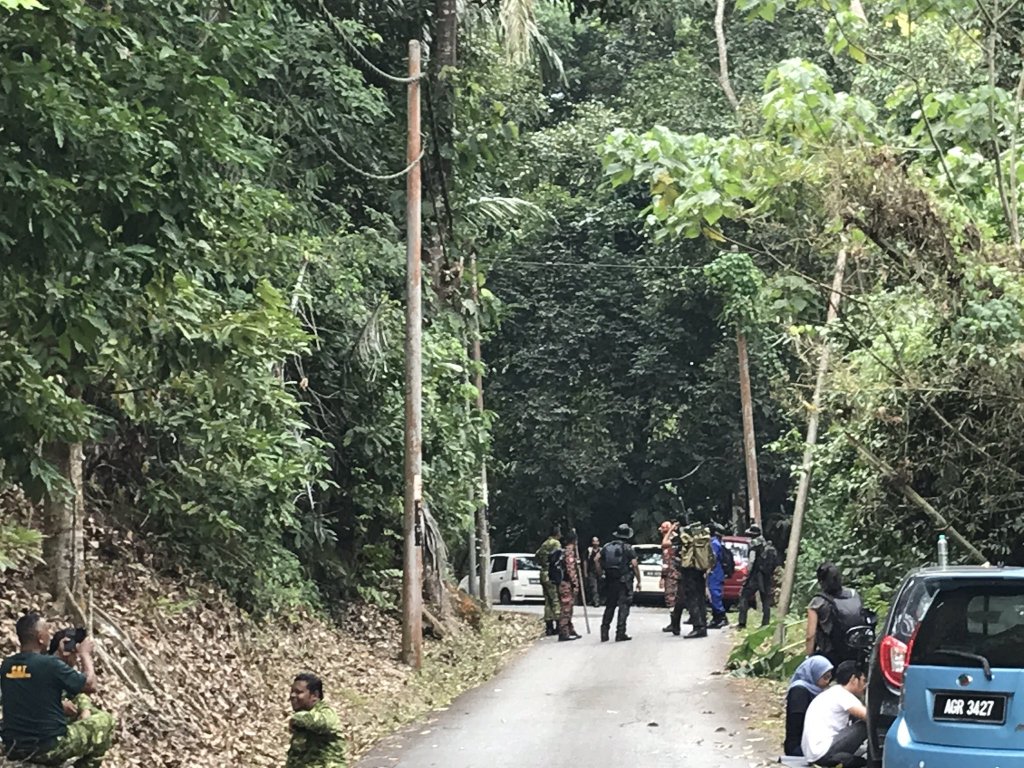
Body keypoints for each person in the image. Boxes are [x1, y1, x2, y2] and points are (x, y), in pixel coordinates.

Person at [1, 613, 115, 767]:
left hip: (13, 747)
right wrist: (85, 654)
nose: (50, 635)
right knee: (106, 720)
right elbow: (90, 686)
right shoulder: (50, 665)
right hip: (48, 747)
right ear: (41, 638)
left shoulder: (7, 666)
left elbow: (28, 692)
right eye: (47, 631)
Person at [801, 661, 868, 768]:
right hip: (823, 752)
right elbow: (868, 717)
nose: (865, 686)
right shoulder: (843, 695)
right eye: (864, 680)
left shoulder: (833, 692)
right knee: (864, 725)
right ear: (853, 679)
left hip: (813, 754)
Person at [806, 563, 867, 666]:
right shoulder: (854, 594)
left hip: (831, 657)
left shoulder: (817, 602)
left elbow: (810, 636)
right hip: (856, 652)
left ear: (821, 581)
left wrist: (808, 658)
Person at [286, 672, 347, 768]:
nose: (293, 695)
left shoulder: (326, 712)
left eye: (299, 692)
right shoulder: (301, 720)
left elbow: (322, 723)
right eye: (292, 692)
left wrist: (297, 718)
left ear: (314, 695)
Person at [597, 524, 641, 642]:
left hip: (610, 580)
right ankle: (620, 633)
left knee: (610, 606)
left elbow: (596, 559)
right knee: (623, 607)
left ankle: (604, 632)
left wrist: (601, 573)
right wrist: (638, 580)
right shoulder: (628, 548)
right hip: (624, 581)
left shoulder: (607, 546)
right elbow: (635, 564)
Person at [784, 655, 834, 757]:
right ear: (814, 674)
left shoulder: (815, 690)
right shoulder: (799, 691)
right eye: (825, 677)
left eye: (829, 678)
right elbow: (797, 722)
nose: (827, 682)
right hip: (799, 746)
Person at [737, 524, 774, 629]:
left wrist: (746, 575)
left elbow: (751, 561)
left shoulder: (754, 545)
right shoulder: (766, 544)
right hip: (765, 576)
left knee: (744, 596)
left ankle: (742, 623)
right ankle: (766, 623)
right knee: (765, 600)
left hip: (755, 576)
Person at [535, 524, 562, 636]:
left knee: (547, 601)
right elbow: (558, 558)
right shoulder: (556, 543)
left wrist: (543, 563)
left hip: (543, 573)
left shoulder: (545, 543)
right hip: (551, 574)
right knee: (555, 599)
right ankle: (559, 625)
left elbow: (537, 555)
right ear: (557, 533)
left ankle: (549, 626)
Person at [555, 532, 581, 642]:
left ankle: (570, 629)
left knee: (569, 607)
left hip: (563, 582)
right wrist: (575, 583)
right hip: (566, 583)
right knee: (566, 607)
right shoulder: (569, 552)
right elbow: (570, 569)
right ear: (575, 541)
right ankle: (563, 632)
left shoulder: (564, 551)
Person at [708, 523, 728, 629]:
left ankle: (722, 618)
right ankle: (715, 618)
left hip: (715, 573)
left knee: (715, 595)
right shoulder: (714, 542)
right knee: (712, 596)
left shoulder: (714, 543)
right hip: (715, 572)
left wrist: (708, 569)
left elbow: (713, 559)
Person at [658, 521, 678, 611]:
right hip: (673, 572)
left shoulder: (672, 540)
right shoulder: (674, 539)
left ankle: (674, 615)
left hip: (672, 573)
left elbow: (666, 562)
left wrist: (663, 576)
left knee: (670, 596)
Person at [584, 536, 603, 607]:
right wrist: (585, 572)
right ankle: (596, 601)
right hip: (591, 571)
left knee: (600, 587)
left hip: (600, 571)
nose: (595, 542)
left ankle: (598, 600)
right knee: (593, 586)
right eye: (594, 541)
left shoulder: (601, 551)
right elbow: (585, 561)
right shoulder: (589, 550)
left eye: (596, 541)